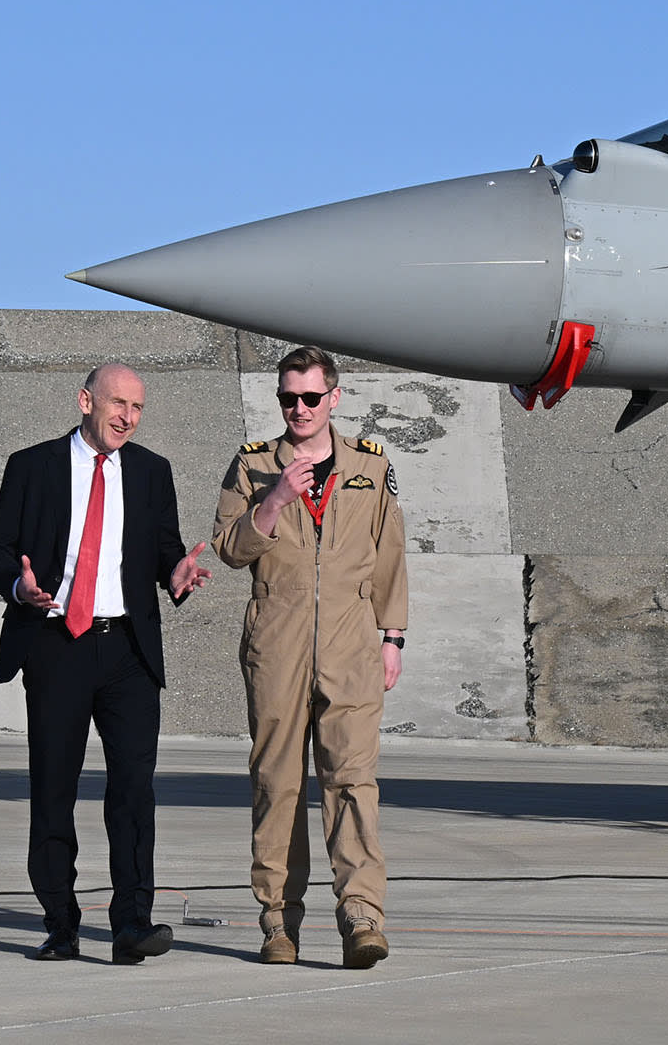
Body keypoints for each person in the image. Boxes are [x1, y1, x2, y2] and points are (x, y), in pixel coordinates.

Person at [0, 363, 211, 963]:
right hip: (57, 645)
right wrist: (19, 589)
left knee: (134, 790)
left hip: (128, 649)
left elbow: (163, 549)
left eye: (137, 408)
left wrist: (176, 573)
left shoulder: (153, 472)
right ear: (86, 400)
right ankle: (60, 923)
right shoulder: (33, 466)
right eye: (117, 404)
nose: (127, 418)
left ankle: (132, 923)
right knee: (54, 788)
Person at [212, 346, 408, 970]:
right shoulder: (251, 467)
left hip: (351, 643)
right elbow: (227, 549)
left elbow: (389, 556)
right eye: (287, 398)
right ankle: (278, 921)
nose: (298, 409)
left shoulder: (370, 466)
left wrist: (392, 637)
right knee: (279, 783)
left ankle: (361, 917)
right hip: (277, 642)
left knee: (352, 781)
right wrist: (273, 502)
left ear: (334, 398)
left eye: (310, 398)